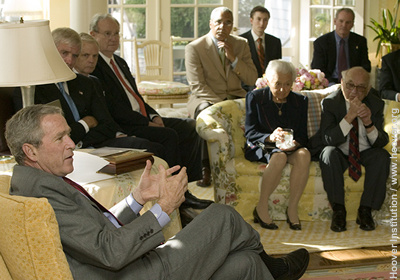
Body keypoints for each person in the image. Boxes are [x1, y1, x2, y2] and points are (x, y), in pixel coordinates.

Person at [6, 104, 310, 280]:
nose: (71, 144)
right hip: (132, 273)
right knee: (223, 217)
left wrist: (137, 198)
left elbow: (97, 237)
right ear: (30, 151)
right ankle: (278, 269)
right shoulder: (43, 196)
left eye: (69, 135)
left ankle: (269, 268)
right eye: (60, 138)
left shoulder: (32, 183)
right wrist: (162, 208)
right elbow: (110, 252)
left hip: (128, 267)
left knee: (246, 264)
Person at [88, 14, 213, 207]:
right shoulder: (95, 67)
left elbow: (137, 96)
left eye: (116, 33)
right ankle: (175, 195)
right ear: (93, 35)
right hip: (127, 124)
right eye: (107, 33)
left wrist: (154, 115)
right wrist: (146, 122)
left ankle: (186, 187)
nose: (113, 38)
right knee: (168, 135)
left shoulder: (119, 62)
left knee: (189, 127)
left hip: (142, 116)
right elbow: (115, 109)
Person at [14, 27, 166, 158]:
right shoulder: (35, 88)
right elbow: (52, 136)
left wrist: (82, 140)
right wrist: (86, 123)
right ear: (50, 51)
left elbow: (107, 125)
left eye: (74, 55)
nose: (69, 60)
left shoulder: (85, 82)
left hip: (95, 145)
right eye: (64, 53)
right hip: (60, 153)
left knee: (151, 148)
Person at [185, 7, 258, 185]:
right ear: (210, 23)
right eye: (218, 22)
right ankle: (205, 168)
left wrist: (234, 59)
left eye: (227, 23)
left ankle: (250, 156)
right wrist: (221, 104)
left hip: (235, 95)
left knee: (255, 108)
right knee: (205, 112)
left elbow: (252, 78)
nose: (222, 26)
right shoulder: (195, 48)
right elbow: (197, 85)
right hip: (205, 97)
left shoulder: (241, 44)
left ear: (232, 26)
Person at [317, 66, 390, 232]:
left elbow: (381, 142)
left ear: (368, 89)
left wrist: (368, 122)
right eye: (350, 85)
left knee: (382, 157)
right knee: (327, 154)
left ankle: (365, 211)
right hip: (340, 150)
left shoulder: (376, 103)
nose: (355, 92)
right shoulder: (330, 103)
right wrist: (349, 117)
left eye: (361, 87)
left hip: (365, 150)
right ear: (342, 83)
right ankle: (339, 211)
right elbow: (328, 138)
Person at [244, 60, 310, 231]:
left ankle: (292, 209)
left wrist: (295, 143)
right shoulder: (255, 97)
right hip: (262, 145)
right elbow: (250, 133)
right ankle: (261, 207)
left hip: (289, 147)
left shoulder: (300, 101)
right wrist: (270, 137)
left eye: (288, 84)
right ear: (268, 80)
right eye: (278, 84)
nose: (283, 89)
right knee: (279, 157)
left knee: (304, 155)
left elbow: (303, 134)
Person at [311, 8, 371, 84]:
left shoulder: (360, 41)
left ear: (352, 24)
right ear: (335, 21)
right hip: (329, 82)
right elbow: (317, 69)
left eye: (348, 22)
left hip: (353, 83)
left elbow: (366, 67)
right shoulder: (322, 42)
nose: (344, 25)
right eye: (341, 21)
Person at [240, 6, 282, 80]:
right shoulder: (241, 41)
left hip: (270, 84)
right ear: (251, 20)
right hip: (247, 85)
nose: (262, 23)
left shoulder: (275, 42)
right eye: (258, 19)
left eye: (265, 20)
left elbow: (277, 67)